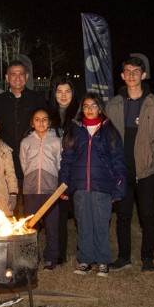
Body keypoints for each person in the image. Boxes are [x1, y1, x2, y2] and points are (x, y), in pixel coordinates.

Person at [104, 55, 154, 272]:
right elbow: (107, 134)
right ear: (122, 76)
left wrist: (153, 153)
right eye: (127, 71)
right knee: (123, 215)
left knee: (147, 214)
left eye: (136, 72)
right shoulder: (113, 104)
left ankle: (147, 258)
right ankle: (123, 257)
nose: (131, 75)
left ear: (144, 75)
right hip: (121, 169)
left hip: (145, 169)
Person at [58, 93, 125, 276]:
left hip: (101, 186)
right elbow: (67, 160)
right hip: (79, 186)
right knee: (83, 224)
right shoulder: (75, 129)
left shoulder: (109, 130)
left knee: (101, 224)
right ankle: (85, 260)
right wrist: (64, 183)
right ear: (82, 109)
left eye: (94, 106)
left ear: (100, 108)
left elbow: (118, 159)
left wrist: (118, 186)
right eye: (86, 106)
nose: (90, 109)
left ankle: (103, 261)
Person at [0, 58, 47, 189]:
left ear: (26, 76)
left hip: (33, 158)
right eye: (13, 74)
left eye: (21, 74)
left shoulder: (37, 98)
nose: (17, 78)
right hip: (7, 159)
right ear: (7, 77)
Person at [19, 108, 63, 270]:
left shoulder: (56, 141)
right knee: (31, 226)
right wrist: (32, 180)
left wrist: (53, 182)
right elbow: (24, 164)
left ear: (49, 122)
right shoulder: (26, 142)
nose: (41, 123)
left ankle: (51, 257)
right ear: (32, 122)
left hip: (50, 191)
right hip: (30, 191)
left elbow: (60, 163)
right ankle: (31, 257)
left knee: (52, 225)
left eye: (45, 119)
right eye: (37, 119)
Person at [48, 77, 79, 263]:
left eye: (67, 91)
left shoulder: (79, 114)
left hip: (75, 169)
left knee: (78, 212)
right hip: (54, 168)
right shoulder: (49, 115)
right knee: (58, 212)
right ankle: (60, 253)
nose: (63, 95)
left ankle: (84, 251)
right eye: (59, 91)